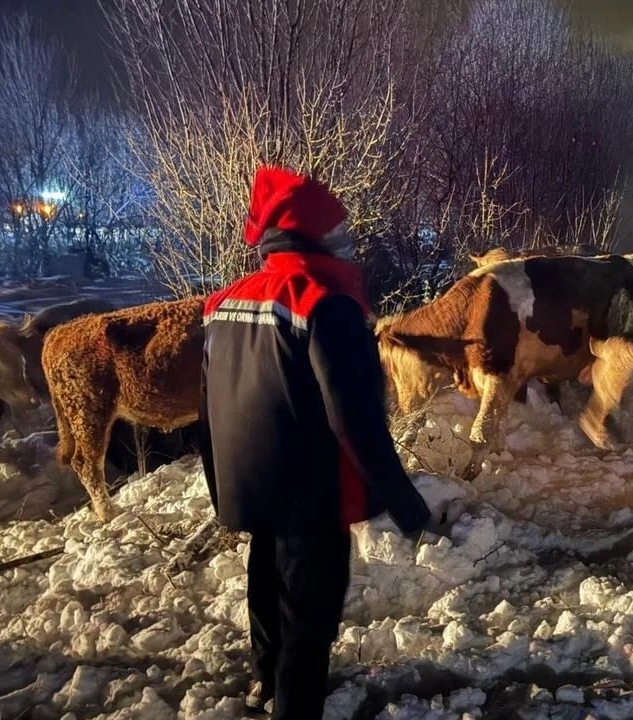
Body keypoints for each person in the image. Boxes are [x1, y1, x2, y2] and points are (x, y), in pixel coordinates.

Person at [199, 166, 432, 718]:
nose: (347, 241)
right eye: (339, 231)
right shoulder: (325, 304)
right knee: (309, 613)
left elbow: (205, 408)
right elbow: (355, 420)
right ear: (317, 236)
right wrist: (405, 502)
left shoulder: (222, 302)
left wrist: (219, 484)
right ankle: (294, 704)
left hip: (252, 485)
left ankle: (267, 678)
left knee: (265, 584)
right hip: (310, 493)